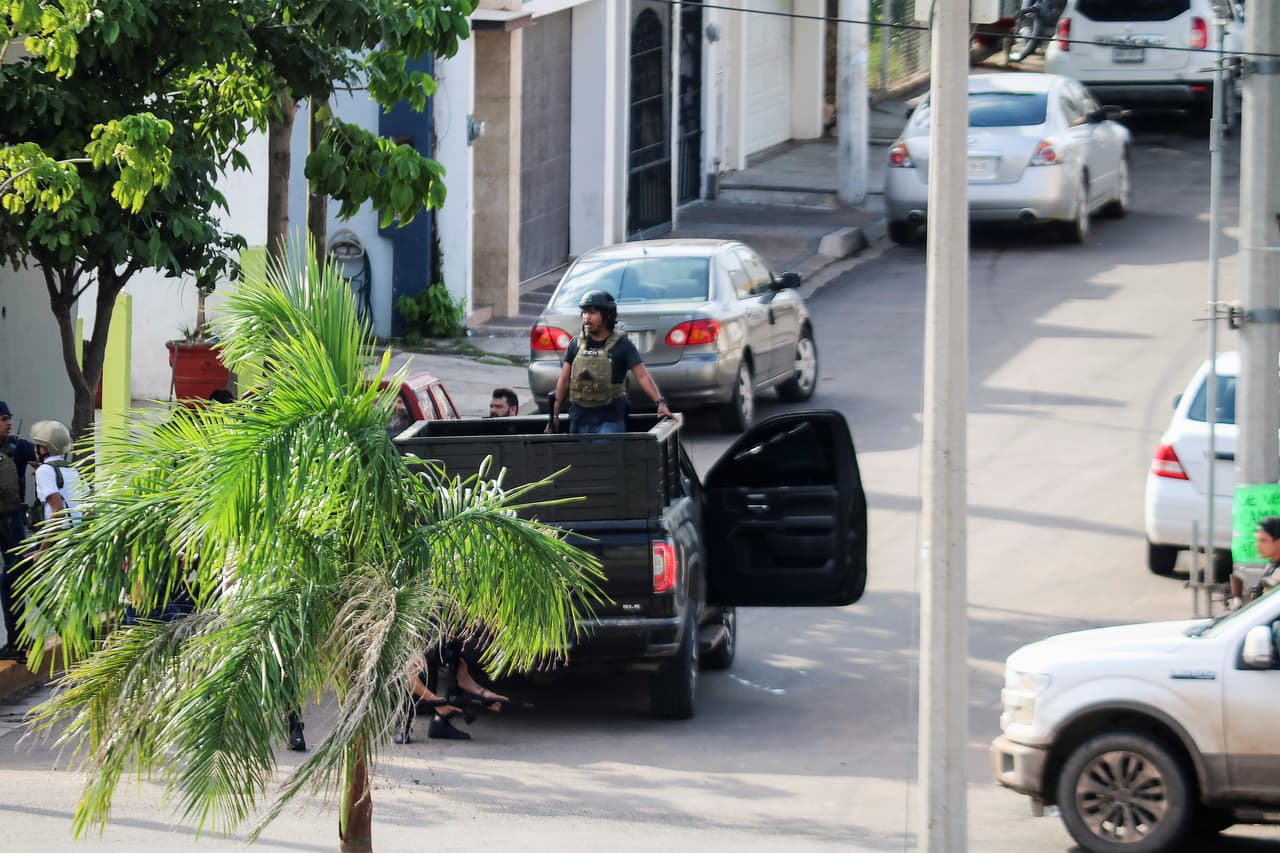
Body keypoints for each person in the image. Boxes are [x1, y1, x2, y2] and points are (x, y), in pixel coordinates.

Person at [551, 290, 672, 434]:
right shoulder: (576, 344)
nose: (586, 317)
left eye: (592, 312)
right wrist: (555, 416)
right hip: (578, 420)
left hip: (609, 421)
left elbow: (642, 376)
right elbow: (564, 380)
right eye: (584, 312)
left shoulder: (622, 345)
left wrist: (660, 402)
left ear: (607, 315)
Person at [0, 402, 37, 660]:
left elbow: (43, 456)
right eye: (3, 419)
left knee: (14, 580)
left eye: (9, 418)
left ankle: (18, 640)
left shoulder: (19, 447)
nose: (9, 423)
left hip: (12, 522)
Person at [1232, 516, 1280, 609]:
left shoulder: (1277, 575)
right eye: (1257, 540)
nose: (1257, 545)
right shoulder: (1272, 565)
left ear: (1278, 542)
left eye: (1263, 540)